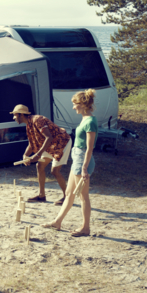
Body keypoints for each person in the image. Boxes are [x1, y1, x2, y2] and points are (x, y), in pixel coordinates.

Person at [42, 89, 98, 237]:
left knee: (83, 196)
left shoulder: (91, 122)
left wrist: (84, 168)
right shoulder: (85, 119)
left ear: (83, 104)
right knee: (69, 193)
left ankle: (85, 228)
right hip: (77, 158)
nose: (73, 107)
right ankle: (57, 222)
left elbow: (89, 148)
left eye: (75, 104)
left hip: (82, 161)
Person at [10, 104, 72, 205]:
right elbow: (32, 143)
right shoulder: (29, 125)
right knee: (40, 166)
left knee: (55, 171)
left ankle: (67, 197)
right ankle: (41, 196)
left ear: (21, 114)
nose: (14, 118)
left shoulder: (37, 120)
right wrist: (25, 155)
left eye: (15, 115)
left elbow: (49, 137)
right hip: (51, 145)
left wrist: (38, 155)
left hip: (62, 143)